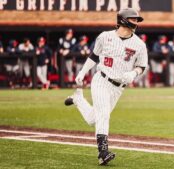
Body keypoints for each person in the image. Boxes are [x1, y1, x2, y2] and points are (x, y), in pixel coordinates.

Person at [64, 8, 147, 165]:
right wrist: (82, 72)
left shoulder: (139, 44)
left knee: (93, 119)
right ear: (122, 19)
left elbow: (142, 66)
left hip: (118, 87)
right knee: (104, 116)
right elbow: (94, 56)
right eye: (133, 19)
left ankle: (78, 99)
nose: (136, 22)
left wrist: (134, 73)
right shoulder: (104, 37)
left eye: (137, 20)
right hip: (101, 80)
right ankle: (103, 152)